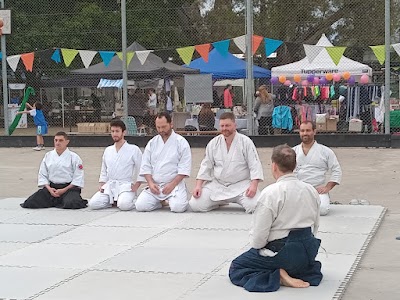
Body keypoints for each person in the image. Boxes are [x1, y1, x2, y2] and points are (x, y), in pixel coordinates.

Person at [229, 144, 323, 292]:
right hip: (307, 252)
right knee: (298, 263)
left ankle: (277, 275)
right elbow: (316, 226)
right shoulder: (311, 190)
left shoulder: (271, 193)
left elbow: (258, 240)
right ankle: (292, 271)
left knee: (237, 266)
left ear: (274, 166)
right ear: (295, 165)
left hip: (282, 252)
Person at [189, 112, 263, 213]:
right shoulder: (214, 143)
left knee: (255, 206)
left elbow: (254, 165)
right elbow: (206, 165)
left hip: (241, 186)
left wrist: (254, 185)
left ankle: (221, 200)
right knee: (195, 205)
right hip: (218, 185)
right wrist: (198, 185)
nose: (224, 128)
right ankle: (220, 202)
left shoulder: (245, 142)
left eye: (227, 125)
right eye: (222, 126)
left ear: (235, 125)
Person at [135, 112, 192, 213]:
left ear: (171, 124)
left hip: (174, 185)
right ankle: (159, 202)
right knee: (140, 206)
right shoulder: (152, 143)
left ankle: (174, 198)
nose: (161, 130)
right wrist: (151, 183)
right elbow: (146, 166)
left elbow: (184, 168)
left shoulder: (181, 142)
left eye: (164, 127)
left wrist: (172, 184)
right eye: (158, 127)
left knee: (177, 208)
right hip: (156, 186)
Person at [20, 132, 87, 209]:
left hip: (68, 188)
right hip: (52, 188)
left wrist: (64, 190)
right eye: (56, 140)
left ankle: (61, 200)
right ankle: (58, 201)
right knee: (30, 202)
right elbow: (42, 174)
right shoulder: (48, 155)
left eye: (61, 140)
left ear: (67, 142)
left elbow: (78, 177)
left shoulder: (74, 157)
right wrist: (49, 188)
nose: (57, 143)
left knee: (72, 203)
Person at [88, 120, 143, 211]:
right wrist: (102, 184)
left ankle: (130, 200)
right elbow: (104, 169)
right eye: (112, 131)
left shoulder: (133, 149)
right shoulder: (108, 150)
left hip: (126, 185)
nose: (114, 134)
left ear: (124, 132)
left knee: (124, 205)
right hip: (110, 185)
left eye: (117, 131)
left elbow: (141, 168)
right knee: (93, 203)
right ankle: (113, 201)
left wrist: (136, 185)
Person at [293, 121, 342, 216]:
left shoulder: (325, 151)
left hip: (317, 189)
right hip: (296, 189)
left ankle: (305, 207)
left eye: (308, 130)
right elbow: (284, 171)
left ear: (314, 131)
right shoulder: (293, 151)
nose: (305, 133)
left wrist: (327, 187)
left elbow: (337, 170)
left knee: (323, 209)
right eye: (302, 131)